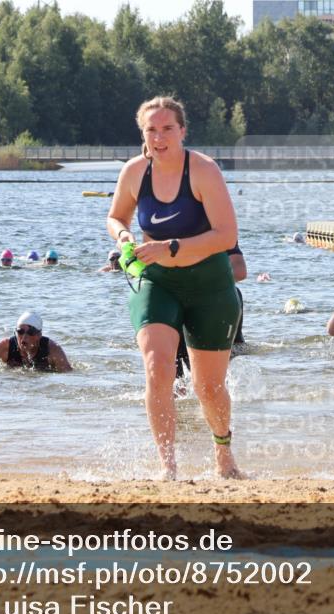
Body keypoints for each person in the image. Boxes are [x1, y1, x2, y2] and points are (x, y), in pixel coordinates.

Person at [106, 95, 243, 480]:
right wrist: (123, 238)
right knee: (157, 366)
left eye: (168, 128)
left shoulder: (203, 170)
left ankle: (223, 454)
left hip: (209, 284)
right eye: (151, 129)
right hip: (156, 280)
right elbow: (115, 216)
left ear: (182, 131)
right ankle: (168, 467)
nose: (159, 137)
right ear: (143, 134)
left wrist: (172, 246)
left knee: (208, 387)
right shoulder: (134, 172)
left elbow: (226, 235)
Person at [175, 243, 247, 380]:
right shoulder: (166, 229)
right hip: (174, 300)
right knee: (175, 375)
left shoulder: (220, 230)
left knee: (211, 377)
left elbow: (240, 270)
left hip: (215, 301)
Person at [0, 311, 72, 372]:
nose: (24, 337)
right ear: (15, 332)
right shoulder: (5, 347)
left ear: (39, 335)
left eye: (31, 332)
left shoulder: (52, 350)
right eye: (20, 332)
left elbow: (68, 374)